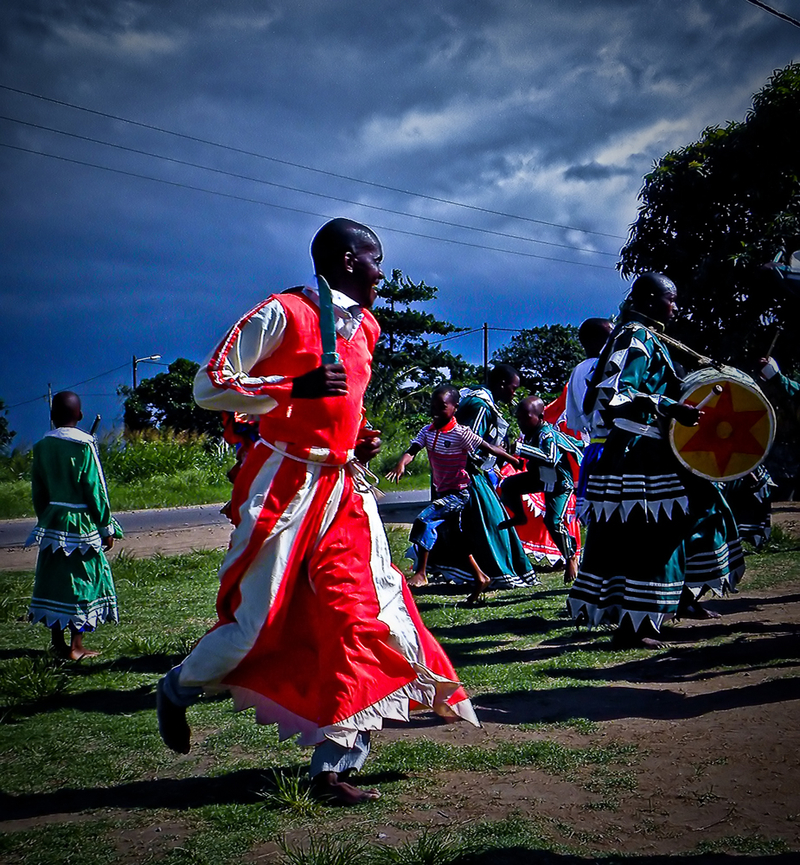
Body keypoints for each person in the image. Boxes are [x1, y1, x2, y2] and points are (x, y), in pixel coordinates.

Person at [155, 218, 478, 805]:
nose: (383, 272)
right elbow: (210, 385)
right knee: (258, 621)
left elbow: (341, 406)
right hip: (284, 486)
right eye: (376, 260)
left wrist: (359, 439)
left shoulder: (368, 327)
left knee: (360, 610)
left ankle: (332, 766)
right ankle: (178, 687)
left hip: (344, 490)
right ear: (349, 261)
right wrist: (294, 388)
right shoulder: (283, 311)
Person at [567, 272, 742, 648]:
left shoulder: (645, 333)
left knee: (678, 523)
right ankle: (635, 626)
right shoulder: (635, 335)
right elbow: (617, 391)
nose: (675, 307)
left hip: (646, 451)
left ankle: (668, 605)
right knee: (647, 537)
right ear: (649, 298)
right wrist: (671, 407)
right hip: (637, 453)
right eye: (671, 298)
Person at [386, 384, 522, 603]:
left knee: (423, 520)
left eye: (442, 407)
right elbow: (412, 451)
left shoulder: (461, 434)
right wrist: (401, 463)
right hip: (442, 493)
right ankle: (480, 578)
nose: (436, 411)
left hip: (458, 494)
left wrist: (514, 460)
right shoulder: (428, 432)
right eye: (433, 406)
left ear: (455, 408)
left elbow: (488, 447)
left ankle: (421, 573)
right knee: (456, 541)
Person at [420, 365, 536, 588]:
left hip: (452, 472)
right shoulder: (481, 405)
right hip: (464, 474)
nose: (514, 394)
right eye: (513, 388)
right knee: (486, 523)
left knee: (462, 523)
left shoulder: (472, 396)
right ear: (502, 385)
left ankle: (466, 570)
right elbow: (468, 443)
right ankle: (488, 572)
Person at [25, 391, 121, 660]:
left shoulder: (42, 447)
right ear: (80, 415)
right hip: (80, 524)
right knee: (83, 577)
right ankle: (76, 646)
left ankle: (58, 642)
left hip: (53, 519)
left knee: (54, 578)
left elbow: (38, 489)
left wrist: (45, 517)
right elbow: (95, 488)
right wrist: (105, 526)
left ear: (52, 416)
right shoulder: (84, 445)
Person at [499, 396, 584, 583]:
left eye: (526, 417)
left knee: (553, 521)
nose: (521, 422)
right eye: (519, 418)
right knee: (508, 485)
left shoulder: (547, 434)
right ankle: (520, 516)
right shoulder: (529, 434)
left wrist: (520, 449)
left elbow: (550, 457)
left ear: (541, 416)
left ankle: (571, 557)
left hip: (560, 484)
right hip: (539, 479)